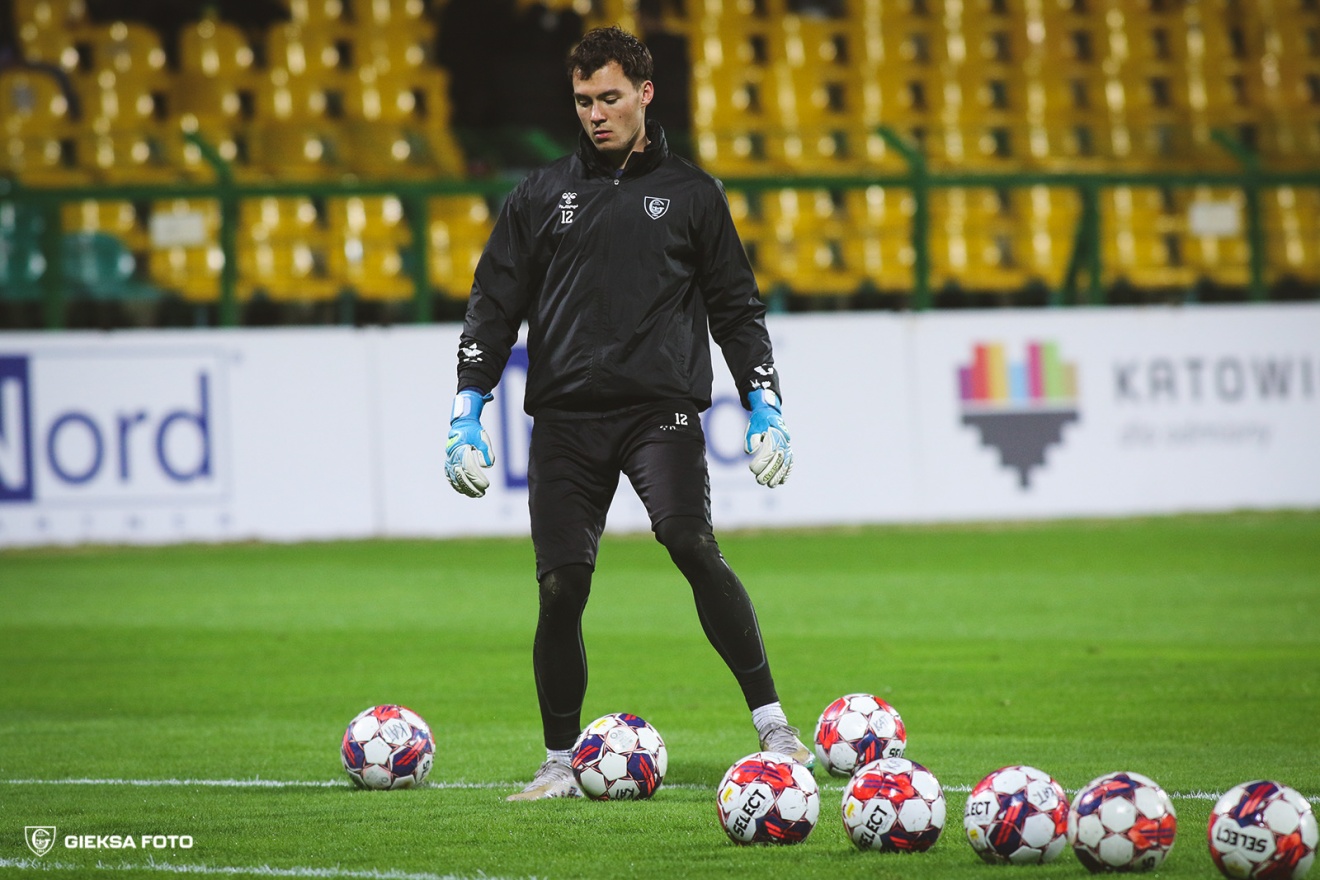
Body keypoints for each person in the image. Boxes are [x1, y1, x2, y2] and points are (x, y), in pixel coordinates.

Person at [443, 25, 811, 801]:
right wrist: (466, 408)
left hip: (659, 412)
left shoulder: (693, 195)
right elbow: (492, 305)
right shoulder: (539, 195)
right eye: (583, 101)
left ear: (645, 93)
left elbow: (736, 309)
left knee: (690, 542)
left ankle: (774, 724)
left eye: (609, 97)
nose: (595, 114)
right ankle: (557, 762)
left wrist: (766, 403)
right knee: (560, 588)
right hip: (565, 420)